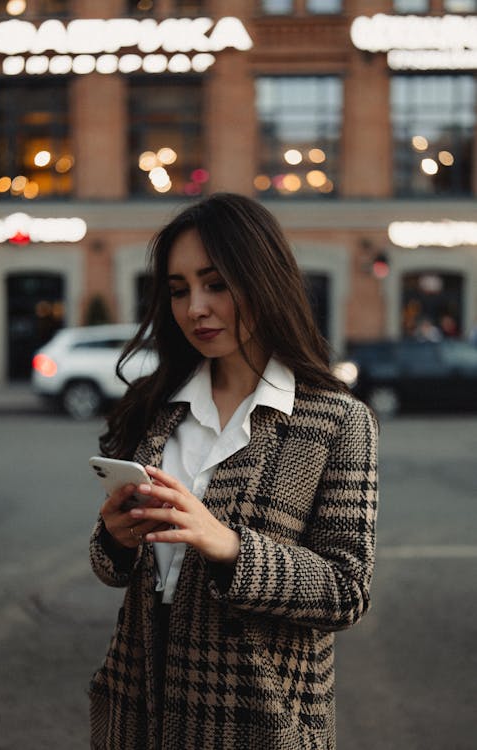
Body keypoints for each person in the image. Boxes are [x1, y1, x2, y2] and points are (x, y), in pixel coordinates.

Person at [88, 192, 379, 750]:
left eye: (215, 283)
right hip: (136, 710)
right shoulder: (158, 406)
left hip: (258, 722)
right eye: (178, 290)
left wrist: (228, 545)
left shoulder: (338, 422)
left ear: (263, 279)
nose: (195, 307)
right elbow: (110, 569)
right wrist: (116, 540)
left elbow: (347, 591)